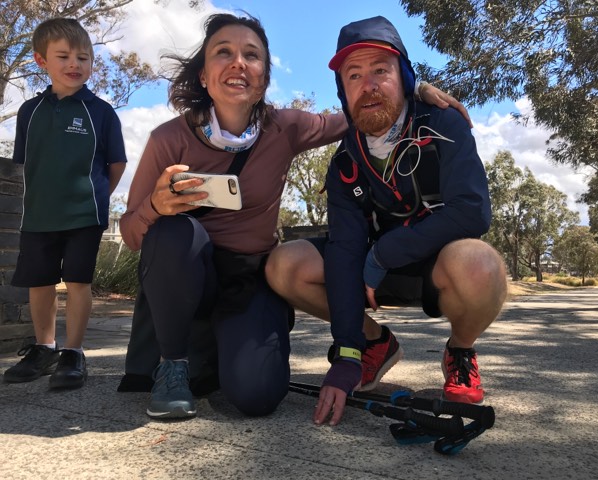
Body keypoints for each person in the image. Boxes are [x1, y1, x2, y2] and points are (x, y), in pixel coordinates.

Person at [117, 12, 469, 421]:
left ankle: (226, 351)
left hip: (249, 279)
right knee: (175, 231)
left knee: (257, 396)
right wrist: (154, 208)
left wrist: (413, 88)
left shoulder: (284, 126)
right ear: (202, 74)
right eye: (223, 52)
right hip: (187, 269)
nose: (238, 63)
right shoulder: (168, 138)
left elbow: (359, 112)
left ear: (264, 77)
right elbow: (130, 233)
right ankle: (173, 367)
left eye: (252, 55)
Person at [265, 16, 507, 426]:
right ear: (343, 90)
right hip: (369, 273)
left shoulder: (442, 122)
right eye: (354, 75)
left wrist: (384, 254)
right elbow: (344, 248)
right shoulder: (345, 159)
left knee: (480, 264)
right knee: (283, 265)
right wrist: (346, 354)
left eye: (381, 69)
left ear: (405, 76)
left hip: (429, 263)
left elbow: (472, 211)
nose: (368, 84)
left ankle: (461, 351)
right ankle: (375, 342)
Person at [3, 18, 127, 389]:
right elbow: (25, 162)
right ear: (42, 61)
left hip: (84, 216)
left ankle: (73, 353)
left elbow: (116, 164)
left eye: (83, 57)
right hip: (38, 217)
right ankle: (44, 348)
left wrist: (96, 197)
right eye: (64, 56)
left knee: (77, 282)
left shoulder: (102, 112)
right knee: (39, 284)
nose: (75, 64)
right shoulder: (29, 111)